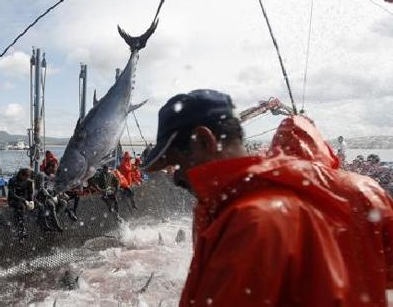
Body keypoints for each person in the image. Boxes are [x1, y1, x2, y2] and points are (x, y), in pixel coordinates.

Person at [143, 89, 393, 306]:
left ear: (203, 140)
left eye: (177, 163)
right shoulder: (361, 190)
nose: (176, 178)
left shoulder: (252, 220)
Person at [34, 162, 66, 231]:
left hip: (48, 196)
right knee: (51, 205)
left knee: (63, 203)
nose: (56, 170)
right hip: (40, 196)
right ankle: (56, 225)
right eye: (55, 168)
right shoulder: (41, 175)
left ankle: (52, 217)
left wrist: (58, 194)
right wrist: (49, 195)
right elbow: (41, 188)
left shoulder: (50, 176)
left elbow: (52, 187)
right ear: (50, 167)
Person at [7, 168, 34, 238]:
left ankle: (44, 226)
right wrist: (23, 200)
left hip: (24, 200)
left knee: (38, 206)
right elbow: (12, 194)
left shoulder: (29, 182)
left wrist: (31, 201)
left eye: (28, 177)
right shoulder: (12, 180)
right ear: (21, 175)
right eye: (26, 177)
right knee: (21, 207)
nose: (26, 178)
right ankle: (21, 229)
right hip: (13, 200)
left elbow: (30, 194)